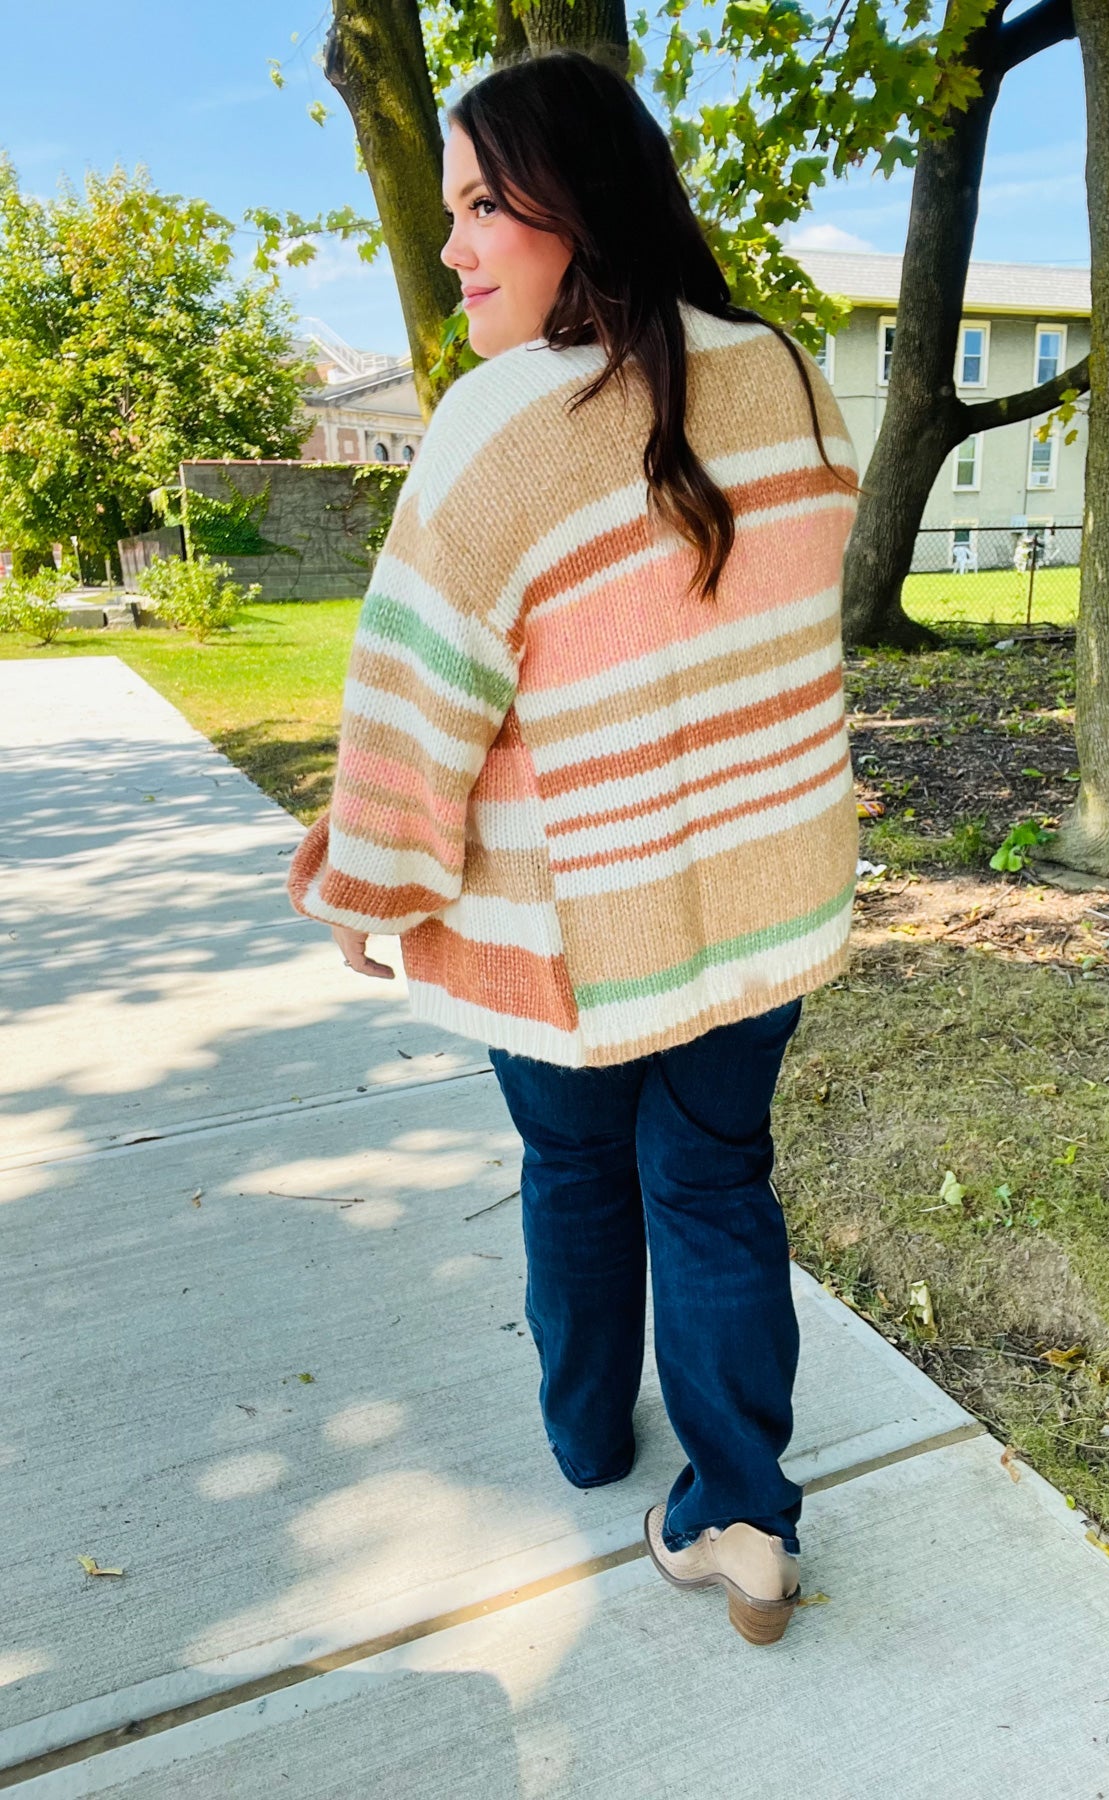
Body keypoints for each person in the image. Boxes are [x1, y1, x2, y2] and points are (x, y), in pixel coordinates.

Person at [287, 47, 861, 1648]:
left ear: (579, 203)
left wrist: (369, 888)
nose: (454, 245)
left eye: (483, 203)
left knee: (573, 1172)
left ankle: (588, 1437)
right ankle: (747, 1514)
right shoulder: (796, 378)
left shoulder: (501, 425)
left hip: (569, 931)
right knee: (717, 1185)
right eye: (451, 207)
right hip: (760, 901)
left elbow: (415, 711)